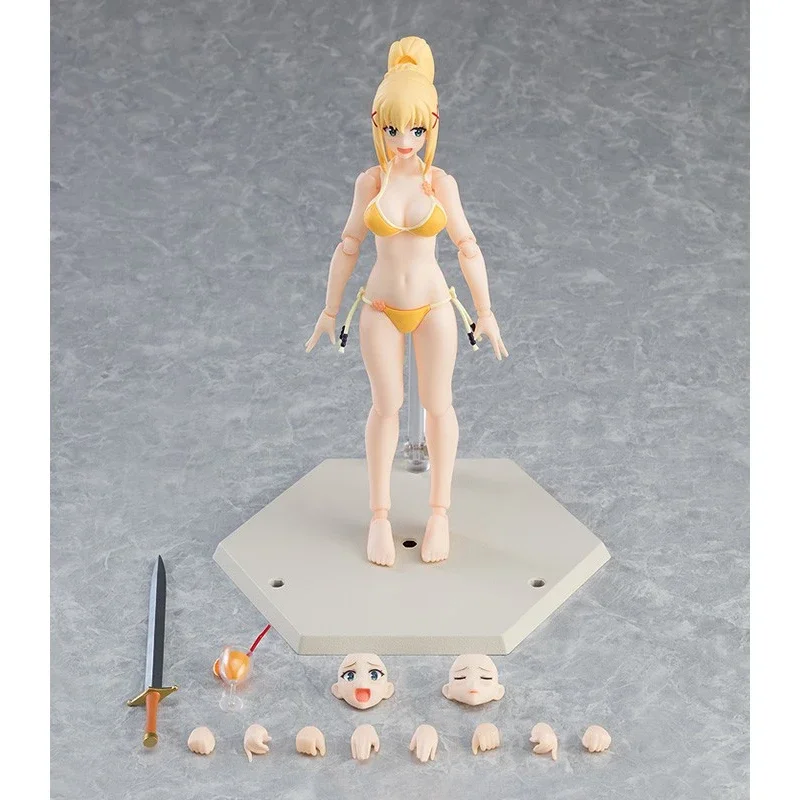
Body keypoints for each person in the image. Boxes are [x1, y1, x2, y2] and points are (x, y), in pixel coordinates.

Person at [305, 36, 508, 567]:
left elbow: (467, 246)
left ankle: (440, 512)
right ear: (377, 123)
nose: (403, 140)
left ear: (432, 125)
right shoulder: (369, 183)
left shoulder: (440, 183)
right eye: (393, 129)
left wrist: (485, 312)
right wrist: (329, 310)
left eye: (415, 130)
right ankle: (380, 516)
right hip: (379, 308)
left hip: (435, 306)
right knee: (386, 407)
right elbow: (348, 246)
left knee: (438, 405)